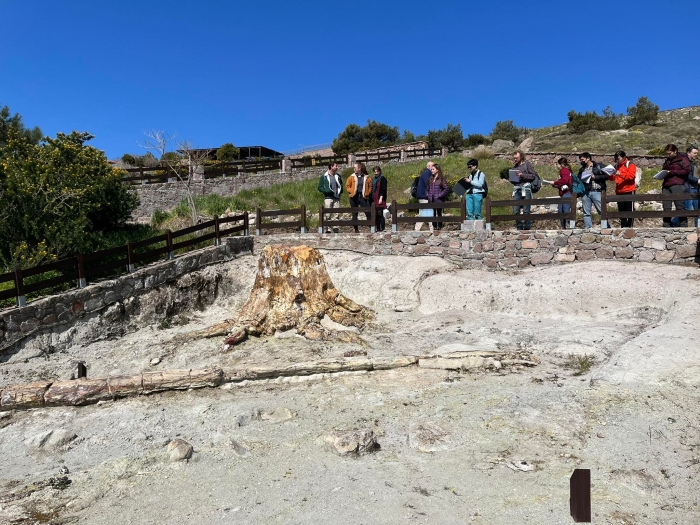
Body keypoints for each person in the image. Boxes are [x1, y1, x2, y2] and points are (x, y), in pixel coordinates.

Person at [661, 144, 691, 228]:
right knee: (666, 207)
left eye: (669, 153)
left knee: (679, 205)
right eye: (667, 153)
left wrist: (673, 171)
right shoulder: (667, 160)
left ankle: (683, 225)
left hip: (677, 184)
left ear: (675, 151)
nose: (668, 155)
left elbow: (686, 171)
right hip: (666, 185)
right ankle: (666, 225)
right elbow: (664, 169)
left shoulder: (683, 159)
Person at [578, 152, 610, 229]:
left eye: (582, 159)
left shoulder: (599, 166)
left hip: (597, 191)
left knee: (601, 211)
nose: (581, 161)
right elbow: (578, 179)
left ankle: (605, 227)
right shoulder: (582, 169)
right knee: (586, 213)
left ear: (588, 158)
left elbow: (608, 175)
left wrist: (595, 177)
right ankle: (588, 228)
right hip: (586, 192)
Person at [543, 157, 573, 229]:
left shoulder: (564, 170)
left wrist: (554, 182)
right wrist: (556, 185)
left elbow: (564, 181)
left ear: (561, 164)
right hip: (563, 193)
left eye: (557, 164)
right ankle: (564, 227)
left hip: (566, 193)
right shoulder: (566, 171)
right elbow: (563, 182)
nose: (557, 166)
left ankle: (571, 226)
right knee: (561, 211)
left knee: (565, 211)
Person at [609, 150, 637, 228]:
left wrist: (620, 174)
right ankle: (623, 226)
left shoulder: (630, 164)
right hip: (619, 191)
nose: (617, 160)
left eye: (618, 158)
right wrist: (609, 174)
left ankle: (630, 226)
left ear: (624, 157)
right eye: (616, 159)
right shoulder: (616, 166)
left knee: (630, 209)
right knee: (621, 210)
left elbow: (631, 176)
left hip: (629, 190)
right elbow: (612, 178)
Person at [511, 150, 537, 230]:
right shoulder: (514, 167)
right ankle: (519, 226)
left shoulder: (527, 165)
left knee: (526, 210)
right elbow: (513, 180)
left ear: (521, 157)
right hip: (517, 189)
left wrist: (522, 175)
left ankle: (527, 227)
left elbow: (533, 176)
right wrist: (512, 178)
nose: (515, 159)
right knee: (515, 210)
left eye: (516, 158)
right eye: (514, 158)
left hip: (526, 189)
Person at [345, 162, 372, 232]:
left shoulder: (367, 177)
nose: (354, 169)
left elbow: (370, 186)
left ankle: (371, 227)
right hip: (354, 197)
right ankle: (356, 229)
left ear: (359, 168)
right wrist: (351, 191)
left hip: (363, 196)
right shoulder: (351, 177)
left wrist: (367, 193)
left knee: (368, 212)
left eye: (355, 167)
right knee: (354, 214)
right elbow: (347, 186)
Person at [317, 162, 343, 233]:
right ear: (331, 167)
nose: (337, 167)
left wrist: (340, 192)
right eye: (336, 166)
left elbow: (341, 185)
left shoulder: (338, 176)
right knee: (328, 214)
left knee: (336, 214)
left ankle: (336, 229)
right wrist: (326, 191)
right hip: (328, 198)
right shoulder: (324, 177)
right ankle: (328, 229)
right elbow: (319, 187)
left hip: (337, 198)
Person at [426, 163, 450, 231]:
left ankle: (439, 227)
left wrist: (440, 195)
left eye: (433, 169)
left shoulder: (441, 179)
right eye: (431, 169)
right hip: (431, 200)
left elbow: (446, 188)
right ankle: (434, 227)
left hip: (438, 200)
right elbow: (427, 188)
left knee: (439, 213)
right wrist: (428, 195)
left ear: (437, 170)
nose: (432, 171)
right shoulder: (430, 179)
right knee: (432, 214)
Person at [415, 161, 435, 231]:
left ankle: (430, 228)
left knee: (426, 213)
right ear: (429, 166)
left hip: (423, 196)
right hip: (424, 196)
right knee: (425, 213)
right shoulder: (427, 173)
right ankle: (430, 229)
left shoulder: (426, 173)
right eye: (433, 166)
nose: (434, 167)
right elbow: (429, 184)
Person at [683, 145, 699, 227]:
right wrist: (697, 180)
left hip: (696, 189)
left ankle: (698, 227)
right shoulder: (685, 162)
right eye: (694, 153)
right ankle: (674, 224)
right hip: (689, 188)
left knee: (697, 210)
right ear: (688, 153)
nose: (696, 154)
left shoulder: (694, 163)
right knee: (687, 210)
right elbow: (687, 176)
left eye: (697, 153)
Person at [372, 166, 388, 232]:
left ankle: (383, 228)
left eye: (377, 171)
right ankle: (378, 228)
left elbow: (383, 189)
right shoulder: (374, 180)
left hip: (379, 198)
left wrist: (381, 198)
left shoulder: (382, 179)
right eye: (375, 172)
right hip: (374, 198)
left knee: (380, 214)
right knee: (376, 214)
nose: (376, 173)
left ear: (380, 171)